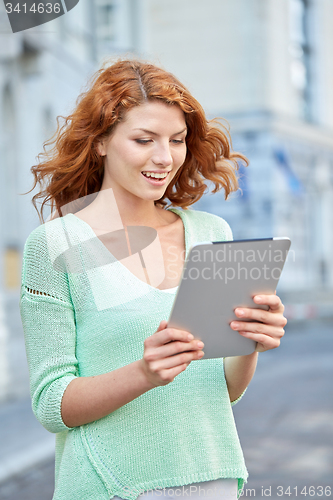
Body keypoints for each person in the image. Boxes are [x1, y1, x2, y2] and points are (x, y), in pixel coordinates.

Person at [19, 59, 287, 500]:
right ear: (102, 142)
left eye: (177, 140)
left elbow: (225, 390)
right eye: (144, 139)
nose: (165, 158)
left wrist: (249, 342)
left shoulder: (212, 234)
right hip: (110, 485)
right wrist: (144, 373)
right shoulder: (56, 244)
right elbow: (52, 404)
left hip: (212, 477)